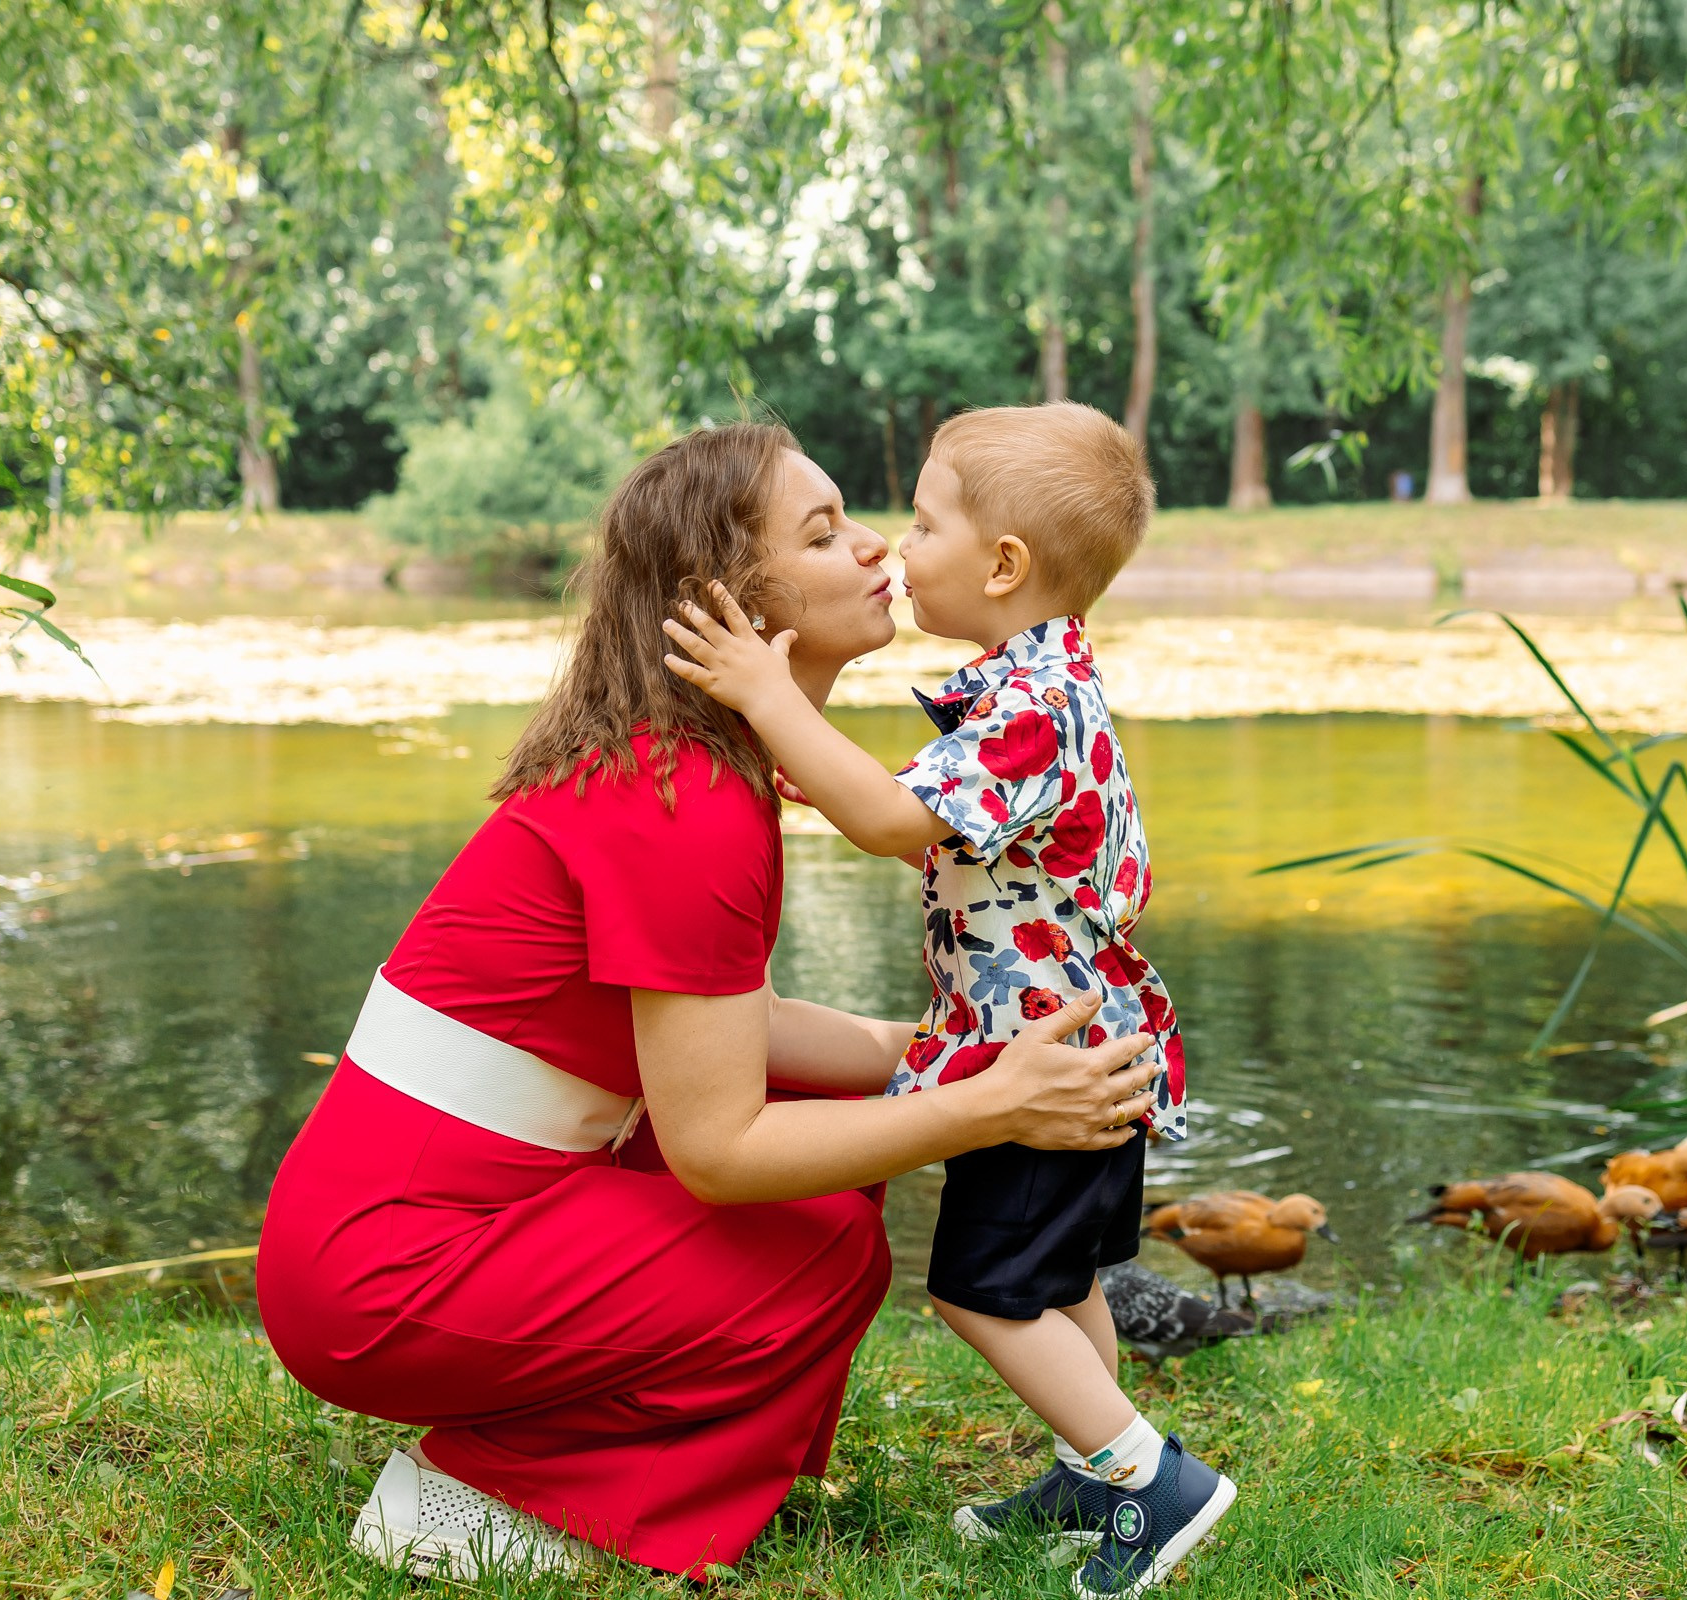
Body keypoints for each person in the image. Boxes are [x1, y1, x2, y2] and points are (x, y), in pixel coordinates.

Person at [254, 421, 1161, 1584]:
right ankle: (487, 1500)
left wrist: (962, 1055)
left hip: (421, 1231)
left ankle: (640, 1454)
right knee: (822, 1250)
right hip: (385, 1276)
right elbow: (720, 1147)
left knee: (833, 1170)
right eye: (824, 533)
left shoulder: (692, 769)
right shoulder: (682, 802)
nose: (877, 546)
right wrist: (986, 1106)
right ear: (730, 598)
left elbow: (742, 1035)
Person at [662, 401, 1234, 1600]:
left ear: (1003, 564)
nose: (896, 546)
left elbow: (889, 819)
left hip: (1047, 1058)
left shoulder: (1031, 711)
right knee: (1061, 1279)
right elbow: (925, 807)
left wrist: (768, 694)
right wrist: (812, 770)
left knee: (980, 1291)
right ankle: (1094, 1469)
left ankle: (1152, 1480)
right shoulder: (1039, 685)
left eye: (923, 526)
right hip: (1087, 1038)